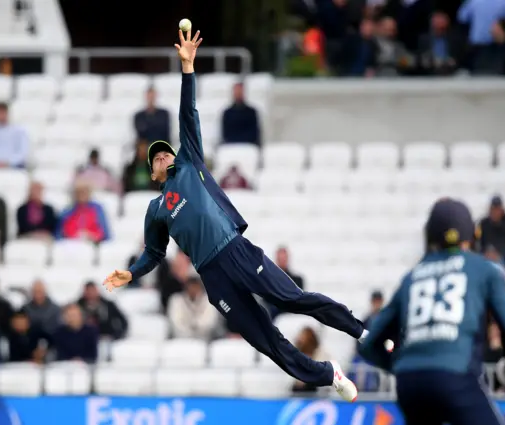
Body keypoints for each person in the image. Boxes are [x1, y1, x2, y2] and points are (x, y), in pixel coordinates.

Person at [103, 28, 364, 402]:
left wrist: (188, 69)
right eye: (156, 157)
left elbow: (187, 113)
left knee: (291, 299)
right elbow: (154, 253)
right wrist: (132, 272)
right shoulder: (155, 209)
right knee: (265, 341)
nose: (163, 155)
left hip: (235, 250)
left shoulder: (190, 163)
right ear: (153, 173)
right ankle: (328, 374)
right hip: (213, 275)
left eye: (166, 152)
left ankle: (357, 329)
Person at [358, 198, 505, 424]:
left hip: (410, 384)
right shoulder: (483, 269)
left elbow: (368, 344)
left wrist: (400, 366)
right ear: (471, 235)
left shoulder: (412, 276)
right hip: (456, 376)